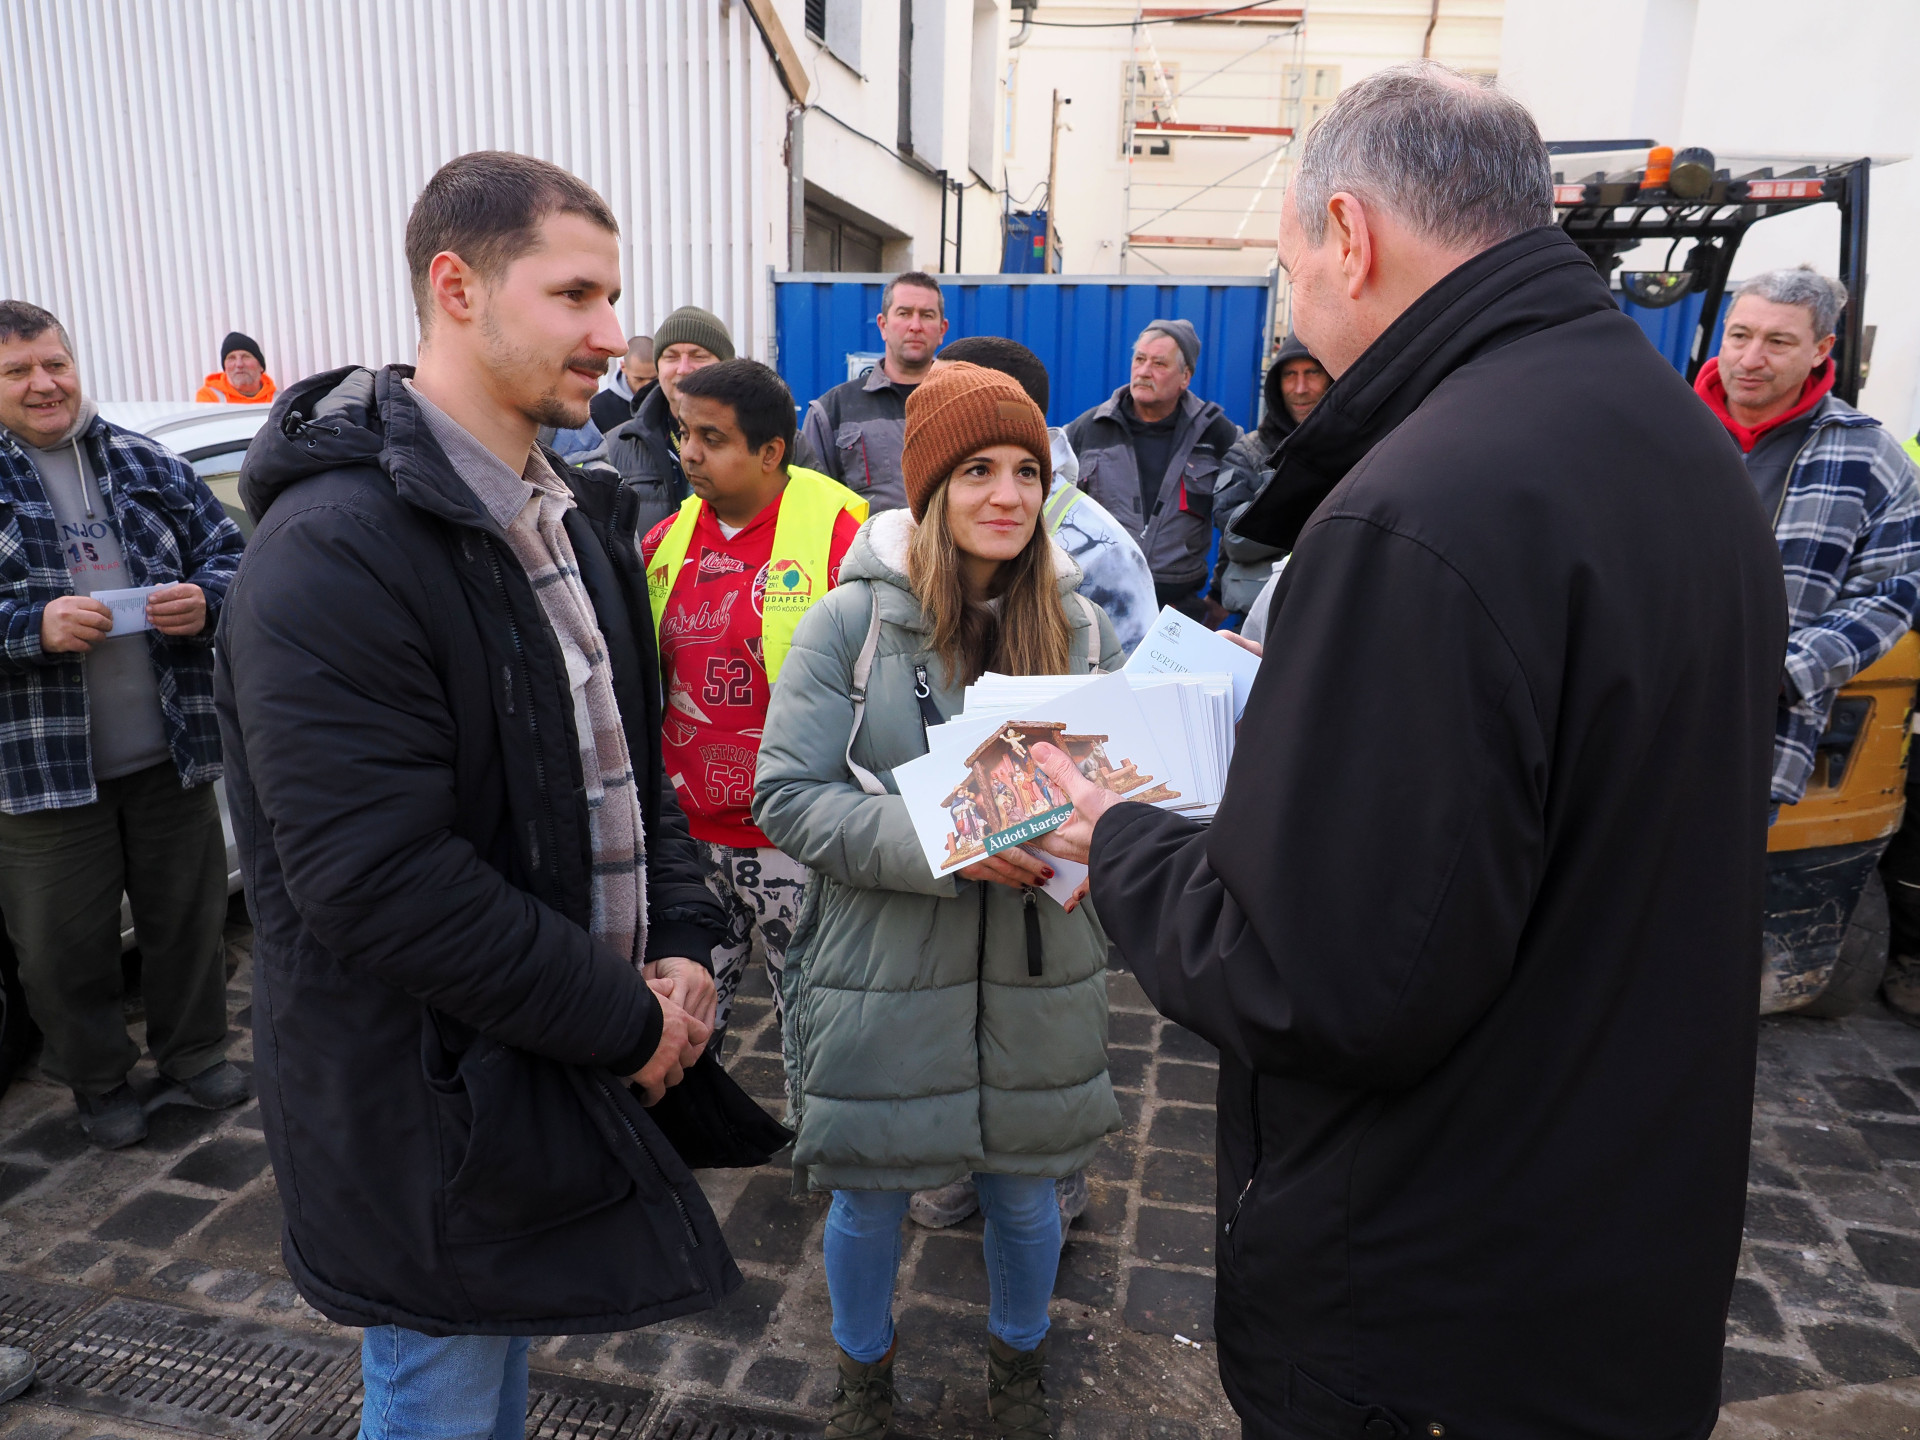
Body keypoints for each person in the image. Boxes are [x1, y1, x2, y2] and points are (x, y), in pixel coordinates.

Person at [1029, 63, 1785, 1439]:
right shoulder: (1674, 439)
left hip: (1436, 1305)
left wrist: (1114, 837)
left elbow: (1323, 980)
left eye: (1288, 266)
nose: (1295, 302)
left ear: (1351, 233)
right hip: (1613, 1250)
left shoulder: (1426, 501)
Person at [215, 151, 740, 1437]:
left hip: (536, 1061)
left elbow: (632, 764)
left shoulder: (576, 514)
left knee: (488, 1371)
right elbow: (378, 880)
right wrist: (625, 1021)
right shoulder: (335, 550)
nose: (615, 337)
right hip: (422, 1100)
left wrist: (679, 947)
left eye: (615, 297)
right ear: (456, 286)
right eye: (574, 296)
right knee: (444, 1387)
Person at [754, 361, 1122, 1440]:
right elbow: (788, 796)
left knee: (1025, 1190)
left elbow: (1108, 783)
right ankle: (865, 1375)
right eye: (975, 472)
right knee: (870, 1190)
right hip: (881, 962)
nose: (1005, 495)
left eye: (1024, 471)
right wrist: (945, 846)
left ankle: (1019, 1365)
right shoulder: (849, 627)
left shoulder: (1083, 626)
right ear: (927, 490)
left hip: (1038, 964)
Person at [0, 300, 250, 1150]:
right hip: (42, 773)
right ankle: (99, 1081)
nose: (44, 384)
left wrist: (204, 597)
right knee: (61, 949)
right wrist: (30, 629)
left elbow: (233, 554)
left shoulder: (146, 462)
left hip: (170, 752)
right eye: (18, 371)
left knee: (187, 919)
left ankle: (195, 1053)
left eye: (54, 364)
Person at [639, 358, 867, 1039]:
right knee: (681, 1030)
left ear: (770, 452)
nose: (688, 452)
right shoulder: (663, 542)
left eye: (711, 437)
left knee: (821, 1029)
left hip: (799, 841)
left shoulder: (842, 544)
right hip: (689, 845)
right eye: (683, 432)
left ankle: (829, 1145)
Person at [1693, 266, 1920, 810]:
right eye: (1740, 336)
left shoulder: (1867, 459)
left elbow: (1892, 592)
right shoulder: (1653, 429)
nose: (1750, 360)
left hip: (1754, 741)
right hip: (1623, 717)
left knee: (1717, 889)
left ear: (1822, 348)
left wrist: (1781, 673)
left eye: (1778, 342)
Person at [938, 336, 1156, 656]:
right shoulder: (932, 514)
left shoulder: (1105, 555)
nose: (921, 415)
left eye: (941, 401)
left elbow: (1132, 689)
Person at [1062, 319, 1240, 621]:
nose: (1144, 371)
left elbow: (1237, 524)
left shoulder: (1217, 435)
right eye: (1140, 359)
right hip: (1098, 607)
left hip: (1179, 610)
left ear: (1185, 377)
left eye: (1159, 363)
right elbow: (1054, 512)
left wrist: (1221, 595)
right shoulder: (1087, 430)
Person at [799, 271, 949, 514]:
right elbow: (810, 506)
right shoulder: (831, 411)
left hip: (948, 552)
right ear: (883, 325)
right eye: (904, 313)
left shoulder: (962, 403)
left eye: (927, 315)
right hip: (862, 552)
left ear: (942, 329)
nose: (915, 325)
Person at [582, 306, 734, 541]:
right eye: (671, 356)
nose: (683, 369)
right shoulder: (613, 447)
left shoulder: (769, 439)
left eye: (698, 356)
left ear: (726, 365)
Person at [1210, 333, 1330, 621]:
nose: (1300, 388)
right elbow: (1236, 537)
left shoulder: (1357, 446)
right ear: (1276, 384)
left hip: (1328, 611)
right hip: (1257, 617)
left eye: (1312, 372)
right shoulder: (1248, 450)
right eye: (1290, 375)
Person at [591, 335, 656, 434]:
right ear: (623, 367)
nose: (647, 385)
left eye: (654, 378)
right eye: (639, 379)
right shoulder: (597, 409)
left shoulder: (672, 402)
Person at [194, 331, 276, 405]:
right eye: (231, 358)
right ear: (225, 368)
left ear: (261, 366)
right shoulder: (210, 396)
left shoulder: (280, 400)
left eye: (246, 357)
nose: (239, 364)